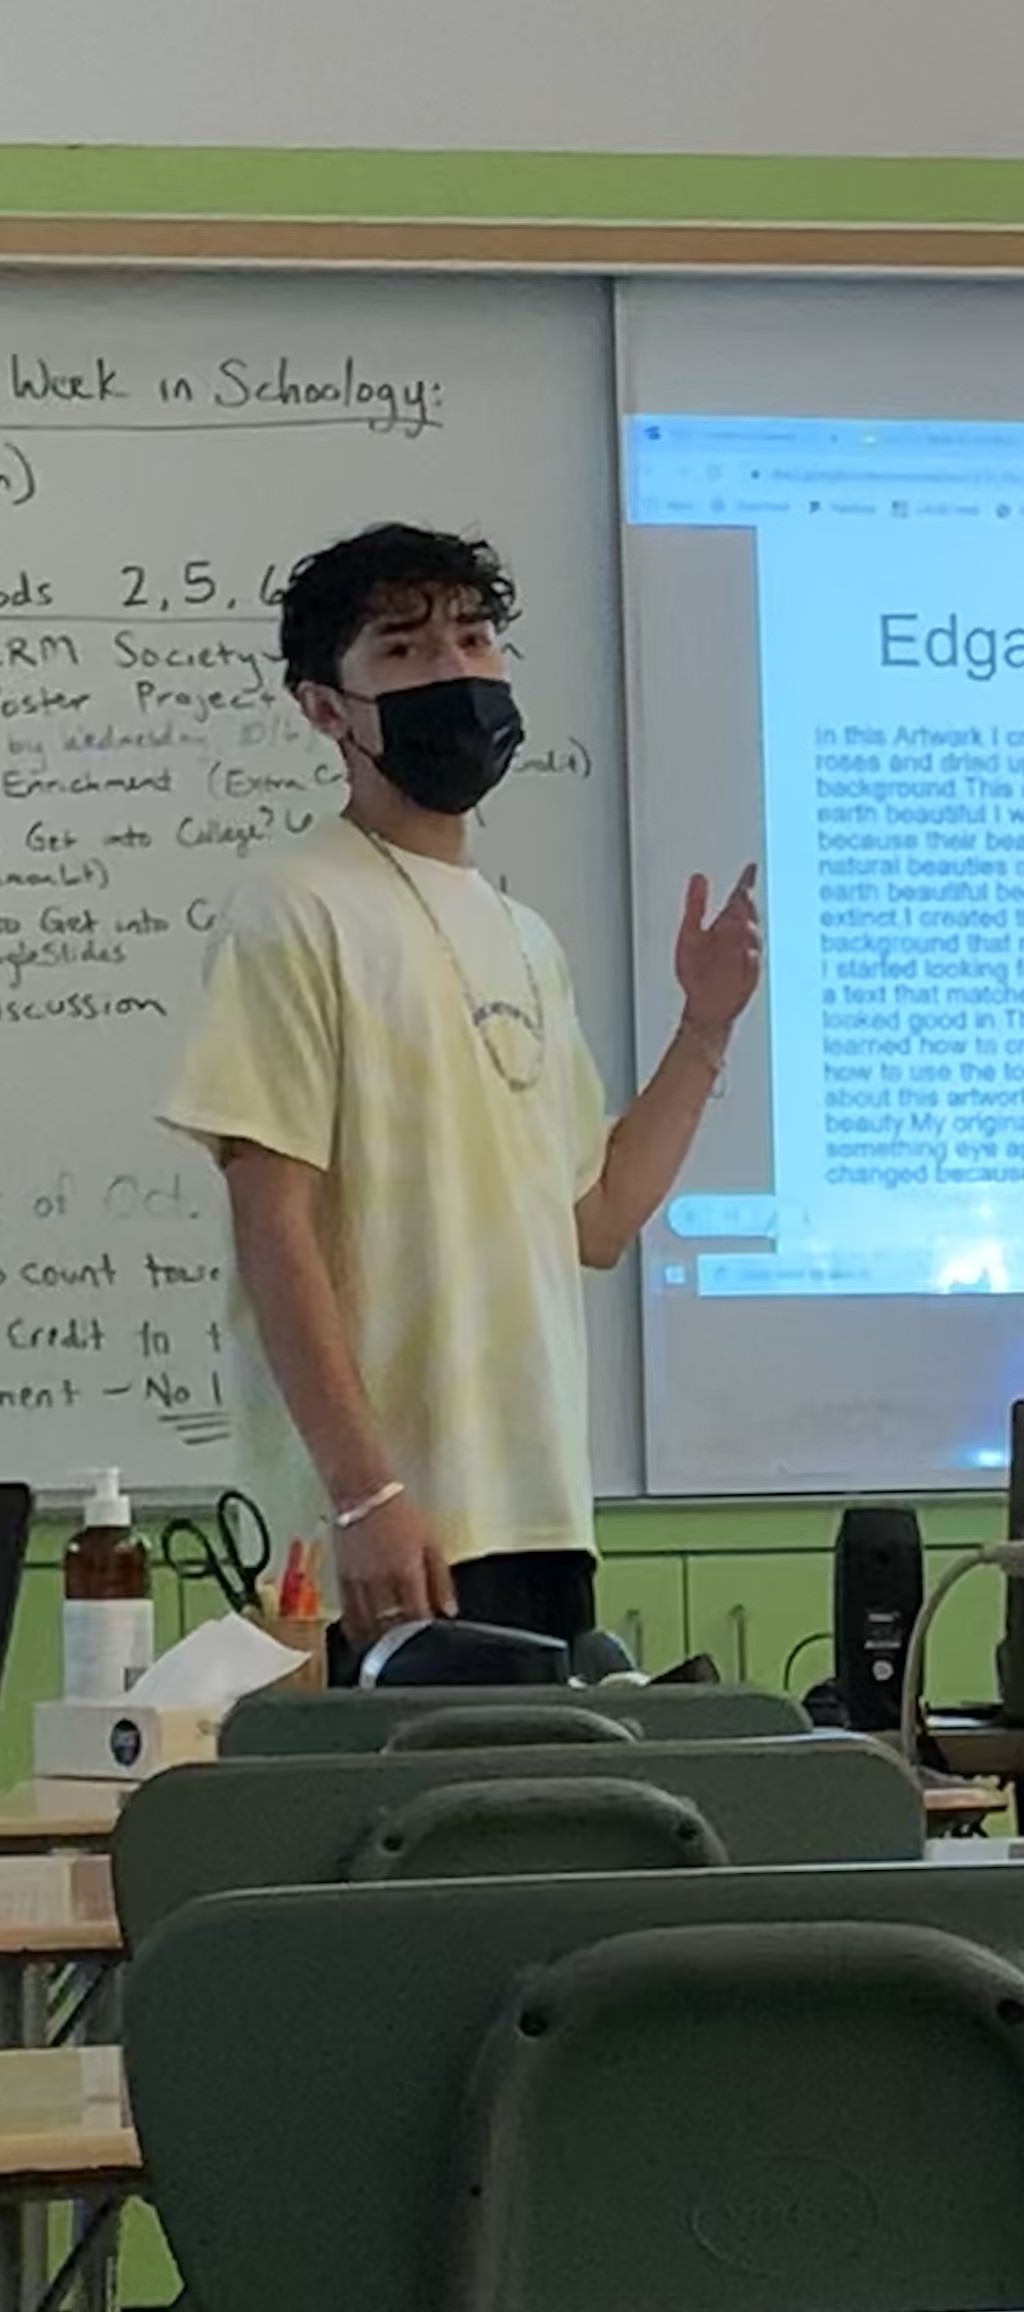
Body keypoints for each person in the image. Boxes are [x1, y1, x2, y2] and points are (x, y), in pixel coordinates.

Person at [161, 522, 762, 1665]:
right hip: (384, 1536)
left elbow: (595, 1219)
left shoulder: (525, 938)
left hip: (539, 1516)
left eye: (474, 639)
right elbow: (273, 1221)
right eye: (405, 650)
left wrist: (705, 1028)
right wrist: (363, 1490)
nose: (455, 671)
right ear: (324, 709)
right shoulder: (292, 905)